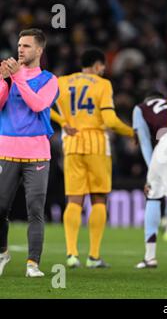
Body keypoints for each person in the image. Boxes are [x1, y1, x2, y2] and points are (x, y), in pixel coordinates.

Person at [51, 48, 134, 268]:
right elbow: (110, 120)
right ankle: (94, 256)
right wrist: (132, 132)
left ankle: (71, 254)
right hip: (97, 144)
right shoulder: (103, 84)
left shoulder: (62, 82)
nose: (104, 70)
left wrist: (62, 122)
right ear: (97, 65)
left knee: (74, 200)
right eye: (103, 67)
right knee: (98, 199)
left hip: (71, 144)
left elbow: (40, 106)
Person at [0, 28, 58, 277]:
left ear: (39, 50)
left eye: (26, 46)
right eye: (19, 45)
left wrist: (17, 78)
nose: (20, 49)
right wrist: (4, 81)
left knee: (35, 209)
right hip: (6, 150)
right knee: (0, 208)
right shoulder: (8, 76)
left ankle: (32, 263)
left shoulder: (49, 80)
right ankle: (3, 253)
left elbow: (38, 105)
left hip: (36, 153)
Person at [132, 91, 167, 268]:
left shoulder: (141, 108)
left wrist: (151, 175)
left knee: (154, 197)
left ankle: (150, 257)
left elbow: (144, 142)